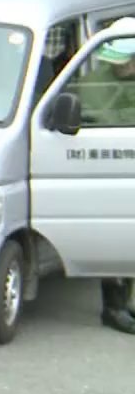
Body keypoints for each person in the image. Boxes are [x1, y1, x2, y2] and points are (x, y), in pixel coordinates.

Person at [71, 36, 135, 334]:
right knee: (117, 235)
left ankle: (126, 303)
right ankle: (113, 307)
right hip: (110, 167)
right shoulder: (93, 83)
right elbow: (105, 119)